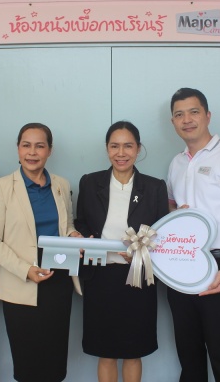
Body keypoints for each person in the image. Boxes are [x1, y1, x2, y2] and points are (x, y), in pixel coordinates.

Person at [0, 123, 82, 382]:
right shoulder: (2, 187)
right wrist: (26, 270)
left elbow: (67, 225)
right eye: (26, 145)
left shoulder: (61, 184)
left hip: (58, 282)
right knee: (28, 365)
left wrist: (74, 236)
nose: (32, 152)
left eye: (40, 146)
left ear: (50, 150)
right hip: (21, 284)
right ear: (18, 149)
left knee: (54, 362)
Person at [166, 88, 220, 382]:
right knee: (188, 353)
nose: (187, 120)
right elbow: (172, 211)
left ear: (207, 115)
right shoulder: (177, 163)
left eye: (194, 112)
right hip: (180, 266)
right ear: (172, 121)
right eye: (179, 114)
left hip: (219, 265)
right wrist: (176, 215)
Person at [74, 121, 169, 382]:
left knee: (133, 352)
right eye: (114, 146)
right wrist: (86, 239)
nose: (121, 153)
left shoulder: (154, 187)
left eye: (128, 146)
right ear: (107, 148)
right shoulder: (90, 182)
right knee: (105, 352)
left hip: (137, 277)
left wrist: (142, 251)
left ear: (138, 148)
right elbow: (81, 222)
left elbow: (162, 233)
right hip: (100, 277)